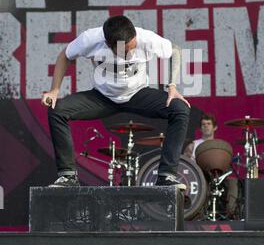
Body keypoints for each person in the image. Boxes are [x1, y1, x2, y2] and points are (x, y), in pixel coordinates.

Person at [41, 15, 190, 188]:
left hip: (137, 94)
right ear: (108, 44)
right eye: (126, 51)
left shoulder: (145, 38)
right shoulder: (91, 39)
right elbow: (65, 55)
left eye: (132, 47)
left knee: (180, 108)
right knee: (57, 109)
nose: (130, 53)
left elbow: (175, 50)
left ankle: (166, 177)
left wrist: (172, 85)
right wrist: (55, 89)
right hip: (102, 98)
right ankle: (68, 177)